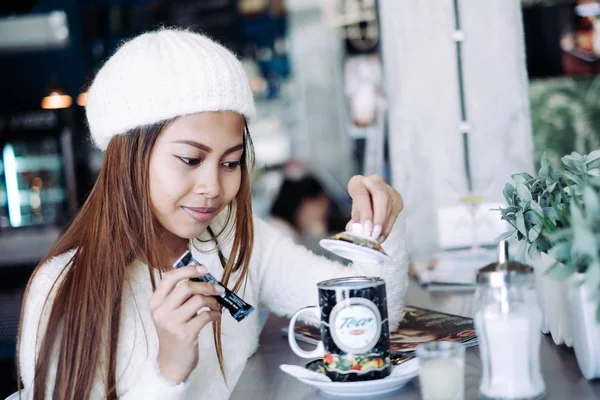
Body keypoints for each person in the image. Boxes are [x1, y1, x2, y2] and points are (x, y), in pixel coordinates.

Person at [17, 28, 409, 400]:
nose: (214, 187)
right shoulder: (63, 288)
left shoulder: (234, 240)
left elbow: (367, 320)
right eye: (190, 159)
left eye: (231, 162)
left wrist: (378, 229)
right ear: (128, 159)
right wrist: (168, 370)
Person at [269, 173, 331, 242]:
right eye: (320, 205)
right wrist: (318, 237)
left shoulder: (291, 231)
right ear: (307, 204)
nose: (324, 213)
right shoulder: (281, 233)